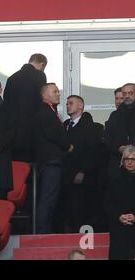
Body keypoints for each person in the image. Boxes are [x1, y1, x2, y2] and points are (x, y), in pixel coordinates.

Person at [56, 95, 98, 233]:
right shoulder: (65, 125)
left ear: (80, 106)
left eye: (71, 103)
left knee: (81, 209)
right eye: (67, 103)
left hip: (82, 176)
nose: (68, 105)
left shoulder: (89, 126)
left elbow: (92, 151)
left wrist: (83, 171)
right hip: (65, 174)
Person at [35, 83, 72, 234]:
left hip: (52, 162)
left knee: (50, 199)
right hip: (51, 162)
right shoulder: (45, 112)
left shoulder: (50, 111)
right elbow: (55, 135)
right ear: (45, 95)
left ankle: (45, 231)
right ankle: (42, 233)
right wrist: (67, 146)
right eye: (55, 91)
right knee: (48, 199)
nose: (59, 94)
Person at [3, 53, 47, 162]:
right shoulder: (39, 76)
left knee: (17, 170)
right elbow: (42, 101)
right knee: (32, 171)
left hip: (13, 134)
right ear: (42, 65)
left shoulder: (12, 78)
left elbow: (6, 103)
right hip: (32, 133)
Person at [106, 145, 135, 260]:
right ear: (123, 161)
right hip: (119, 228)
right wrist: (119, 217)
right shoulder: (115, 180)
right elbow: (108, 204)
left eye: (133, 159)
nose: (130, 162)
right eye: (127, 159)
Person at [105, 83, 135, 180]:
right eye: (124, 93)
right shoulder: (115, 115)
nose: (127, 96)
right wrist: (118, 148)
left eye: (130, 93)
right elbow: (107, 138)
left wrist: (132, 149)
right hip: (117, 164)